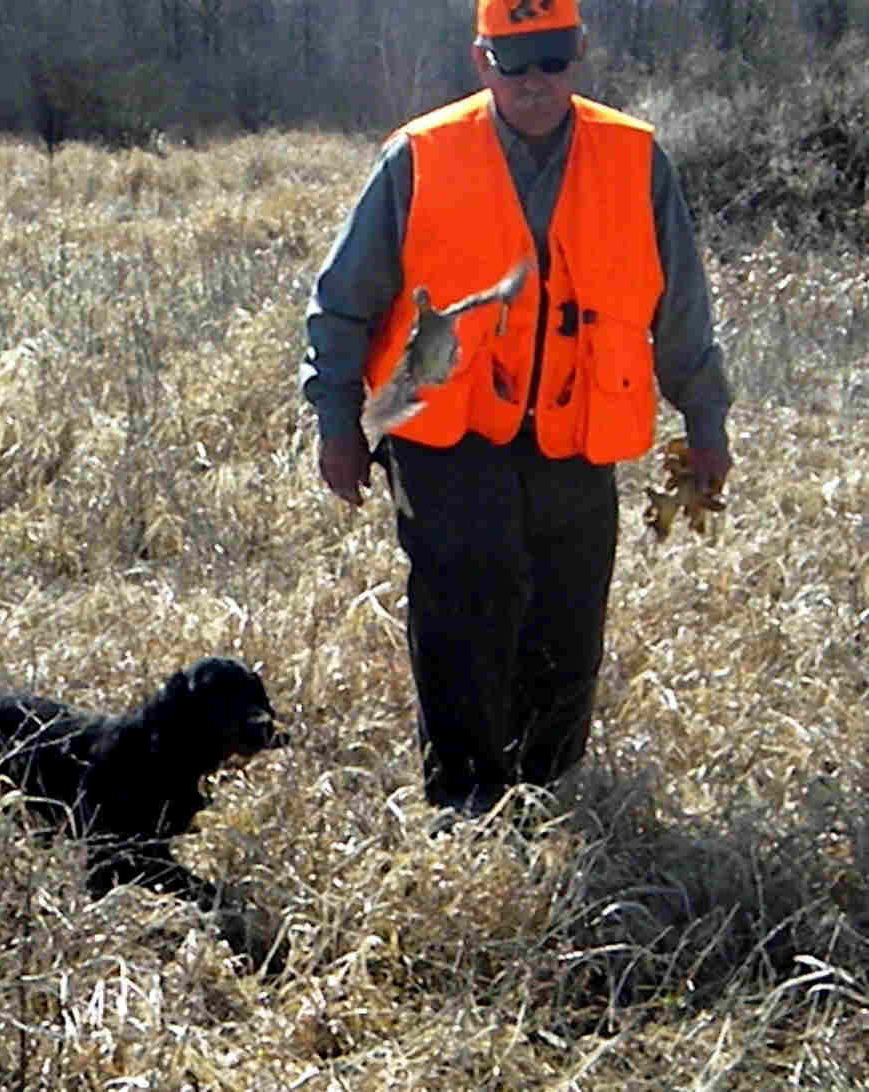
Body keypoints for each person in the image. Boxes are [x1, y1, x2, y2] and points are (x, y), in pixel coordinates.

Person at [298, 0, 734, 819]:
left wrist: (704, 421)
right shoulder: (419, 157)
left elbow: (681, 309)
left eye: (553, 59)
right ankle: (465, 804)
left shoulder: (636, 158)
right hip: (441, 427)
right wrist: (336, 422)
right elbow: (342, 304)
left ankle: (547, 789)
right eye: (514, 62)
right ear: (480, 59)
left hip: (576, 428)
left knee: (568, 621)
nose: (535, 81)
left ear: (579, 54)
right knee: (466, 606)